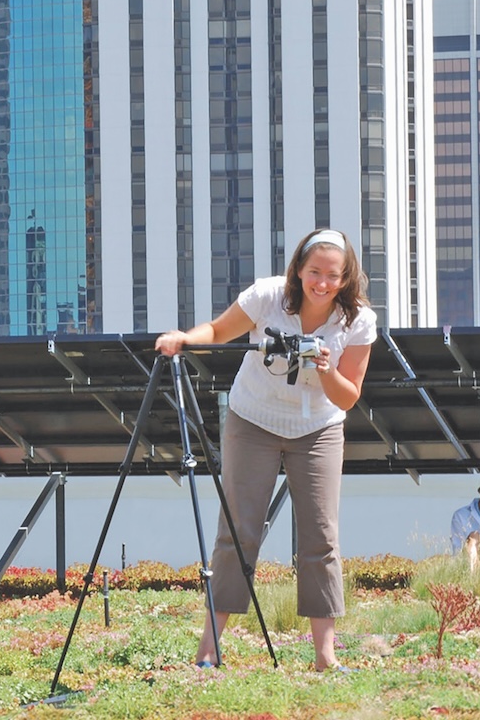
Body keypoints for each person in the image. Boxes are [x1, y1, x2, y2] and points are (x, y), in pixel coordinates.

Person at [154, 228, 376, 672]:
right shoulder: (268, 296)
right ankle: (209, 650)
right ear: (298, 269)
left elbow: (349, 396)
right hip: (252, 420)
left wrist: (325, 368)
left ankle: (325, 656)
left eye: (333, 276)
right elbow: (218, 330)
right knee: (238, 531)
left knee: (320, 536)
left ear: (347, 277)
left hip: (318, 428)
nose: (322, 283)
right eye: (314, 272)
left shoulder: (358, 321)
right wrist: (185, 339)